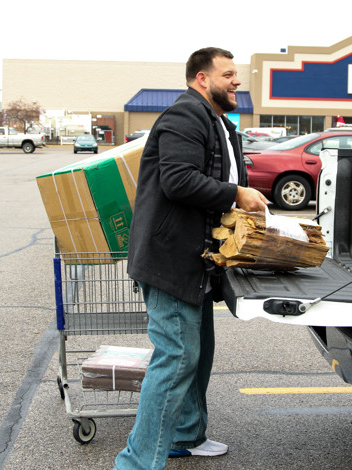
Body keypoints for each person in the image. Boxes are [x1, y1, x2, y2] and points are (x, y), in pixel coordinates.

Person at [114, 47, 269, 470]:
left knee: (196, 354)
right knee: (177, 357)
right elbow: (178, 180)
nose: (237, 81)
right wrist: (236, 194)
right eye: (228, 74)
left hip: (197, 261)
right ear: (202, 78)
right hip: (171, 261)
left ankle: (185, 435)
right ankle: (135, 463)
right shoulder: (185, 116)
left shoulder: (216, 121)